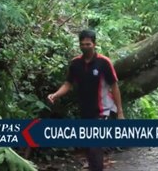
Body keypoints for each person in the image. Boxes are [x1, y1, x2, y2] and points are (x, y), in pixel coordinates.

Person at [47, 29, 124, 171]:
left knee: (95, 147)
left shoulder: (104, 63)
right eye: (82, 44)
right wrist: (56, 94)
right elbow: (68, 83)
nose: (85, 47)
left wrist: (120, 112)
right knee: (89, 147)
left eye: (88, 44)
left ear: (94, 44)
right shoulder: (75, 63)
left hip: (102, 111)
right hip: (85, 111)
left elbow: (114, 86)